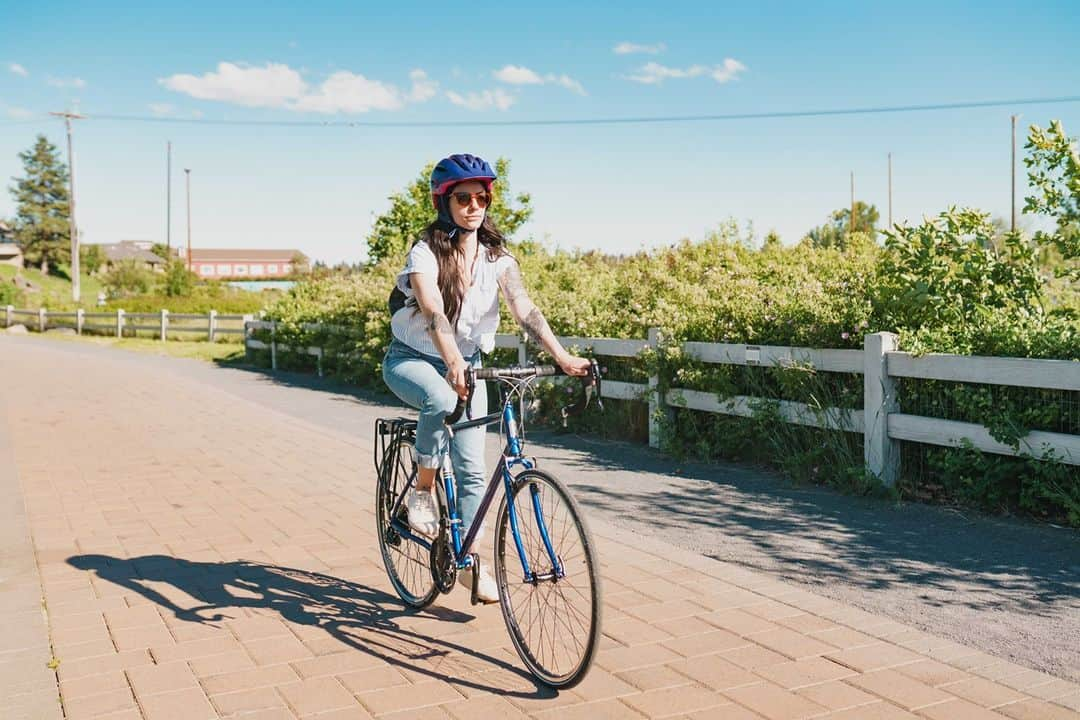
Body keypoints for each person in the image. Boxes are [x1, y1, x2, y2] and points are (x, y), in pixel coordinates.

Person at [382, 153, 591, 603]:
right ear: (445, 202)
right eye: (463, 198)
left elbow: (524, 308)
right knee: (439, 400)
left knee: (473, 470)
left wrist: (562, 356)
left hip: (471, 365)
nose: (473, 205)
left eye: (481, 197)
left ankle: (469, 562)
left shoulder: (498, 257)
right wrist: (453, 359)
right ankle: (421, 493)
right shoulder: (425, 252)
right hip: (413, 359)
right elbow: (434, 309)